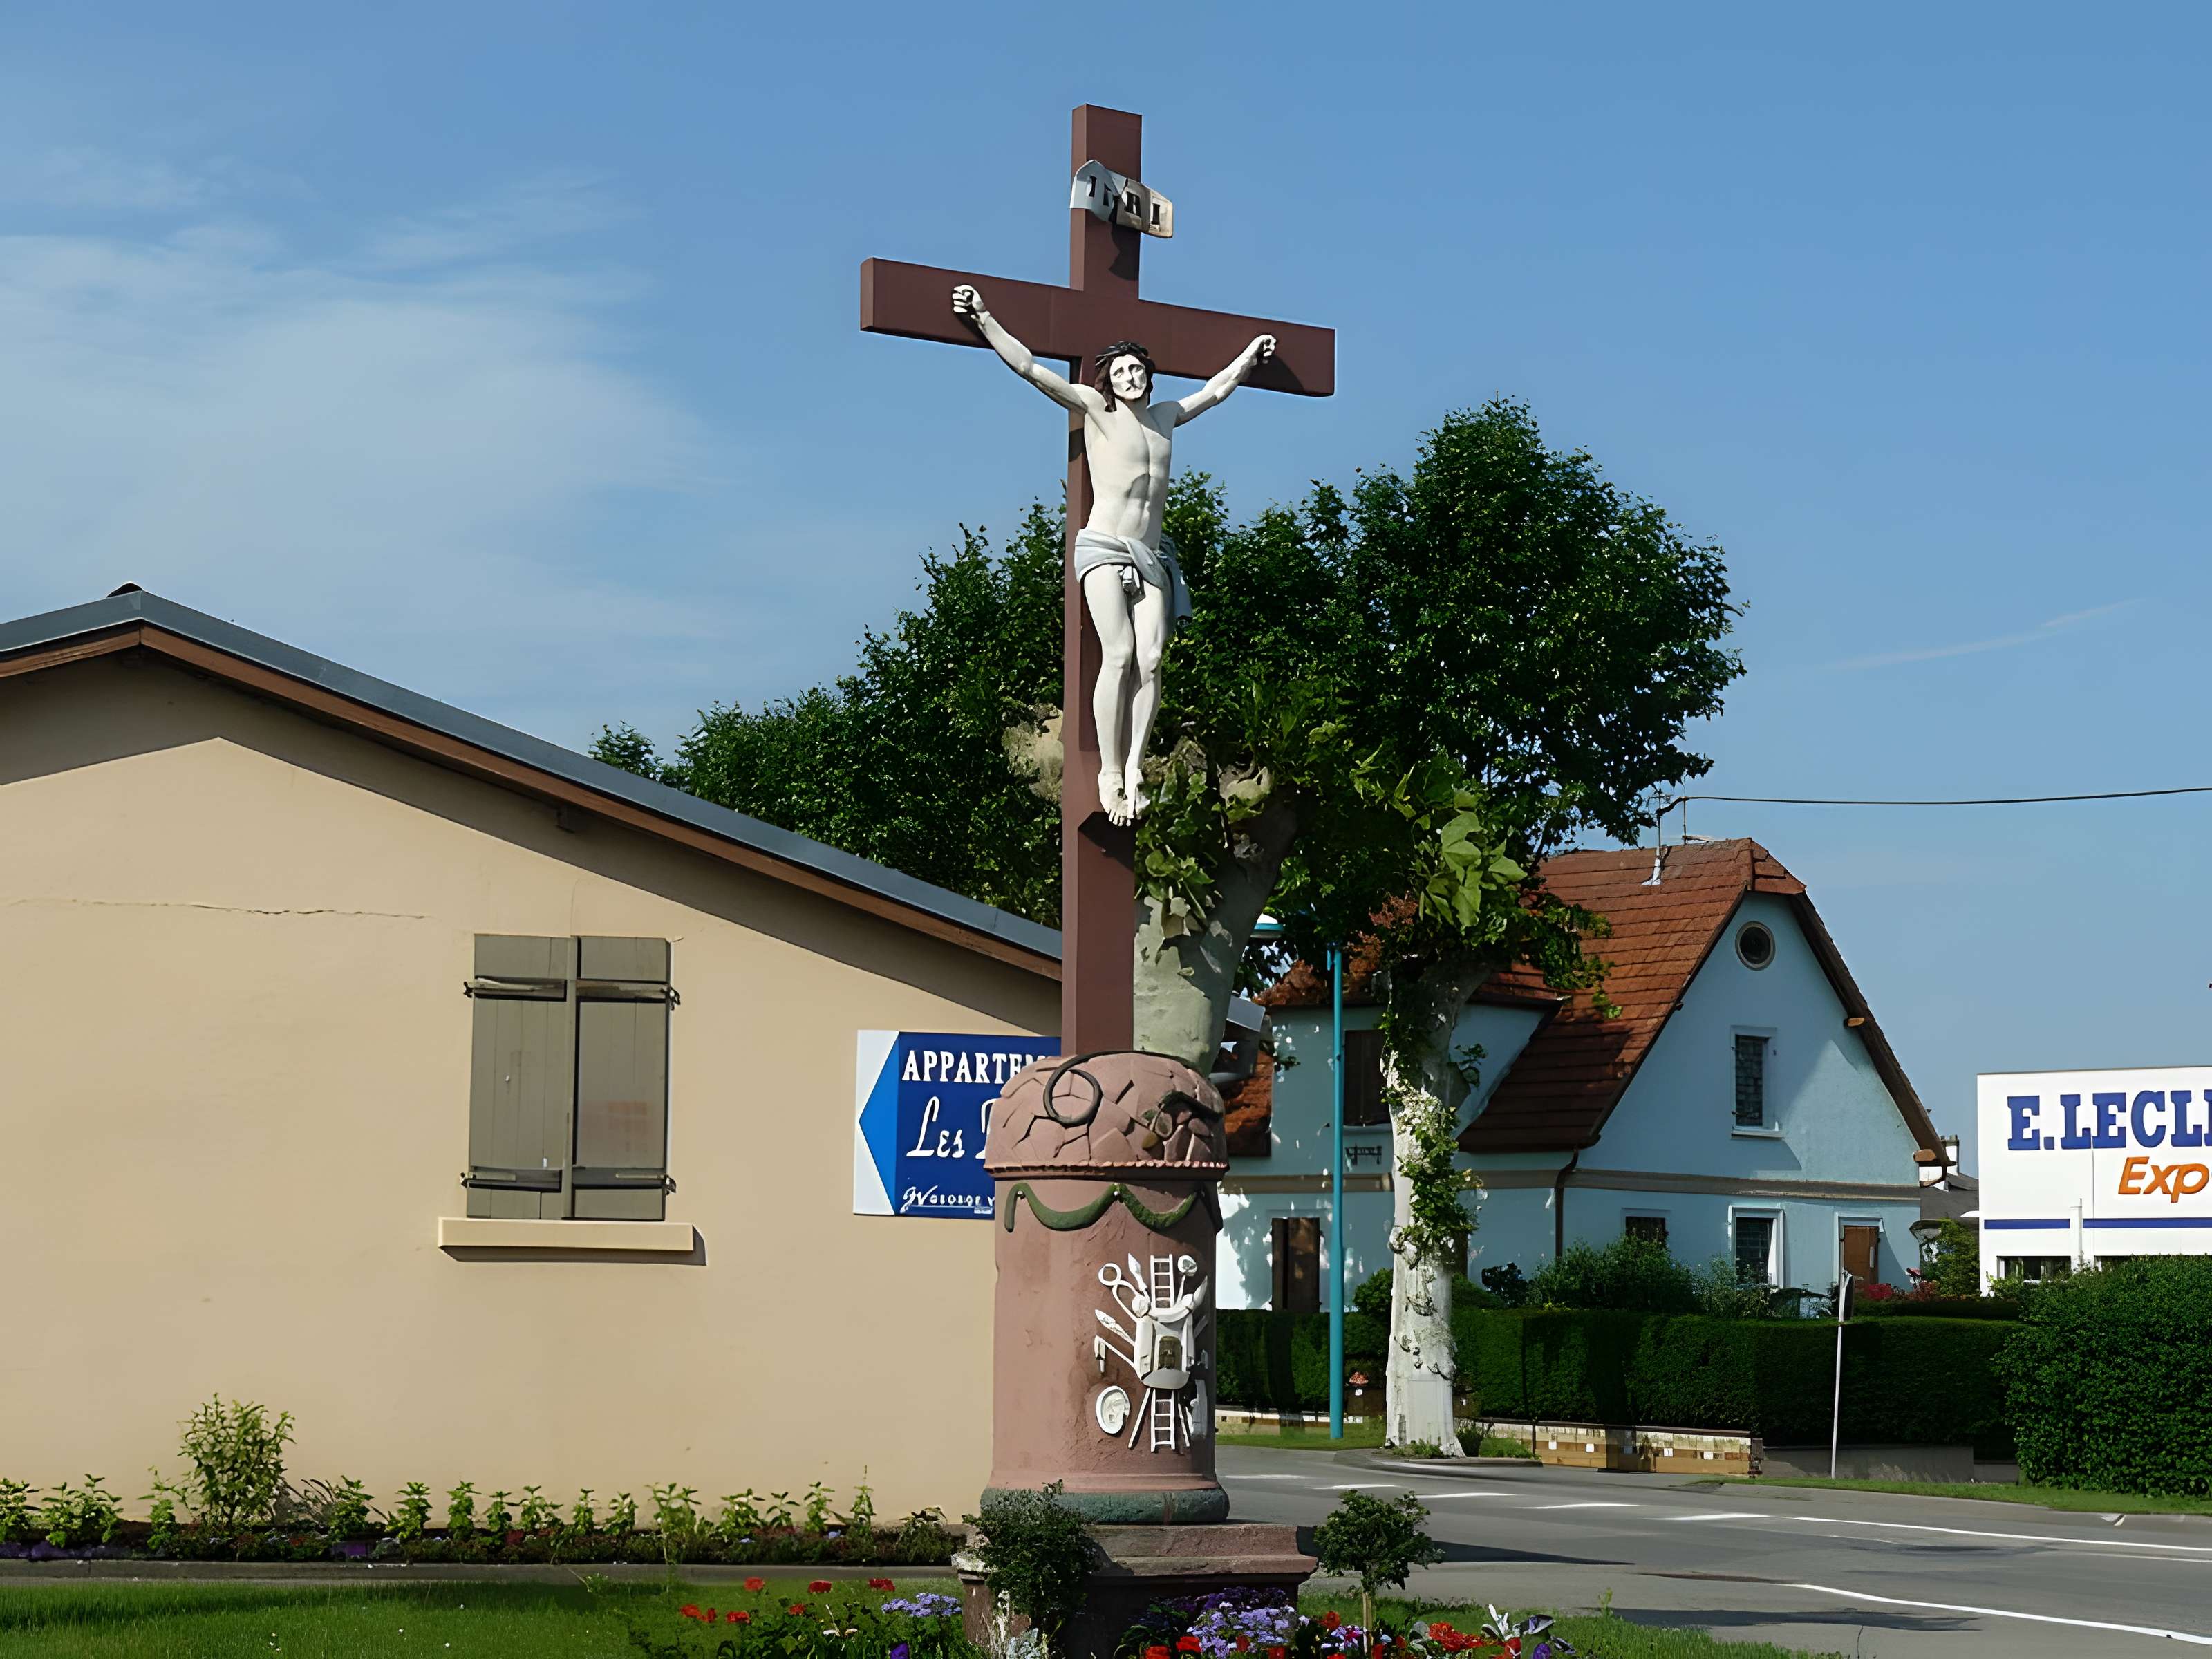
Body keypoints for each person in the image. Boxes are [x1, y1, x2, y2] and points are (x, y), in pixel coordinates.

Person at [952, 282, 1274, 825]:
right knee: (1119, 654)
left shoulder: (1166, 417)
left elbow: (1216, 391)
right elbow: (1031, 368)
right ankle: (1108, 772)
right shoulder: (1096, 410)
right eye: (1120, 371)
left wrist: (1248, 357)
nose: (1129, 377)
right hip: (1102, 547)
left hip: (1149, 556)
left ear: (1148, 375)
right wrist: (983, 318)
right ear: (1108, 379)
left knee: (1151, 660)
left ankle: (1134, 767)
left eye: (1136, 369)